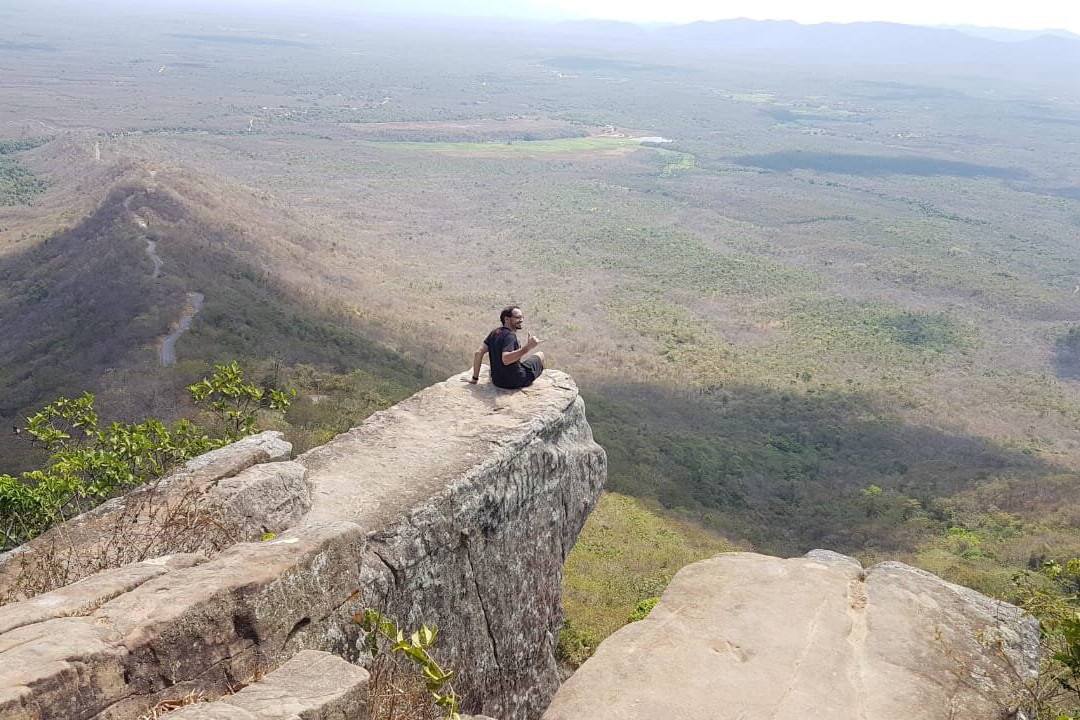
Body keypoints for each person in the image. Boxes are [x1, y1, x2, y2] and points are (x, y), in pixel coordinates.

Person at [468, 306, 545, 388]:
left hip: (497, 381)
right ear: (506, 319)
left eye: (522, 317)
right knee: (541, 355)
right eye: (517, 317)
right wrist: (527, 347)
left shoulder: (495, 332)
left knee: (521, 363)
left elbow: (478, 352)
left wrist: (474, 378)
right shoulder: (510, 336)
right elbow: (506, 359)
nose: (521, 320)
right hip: (515, 381)